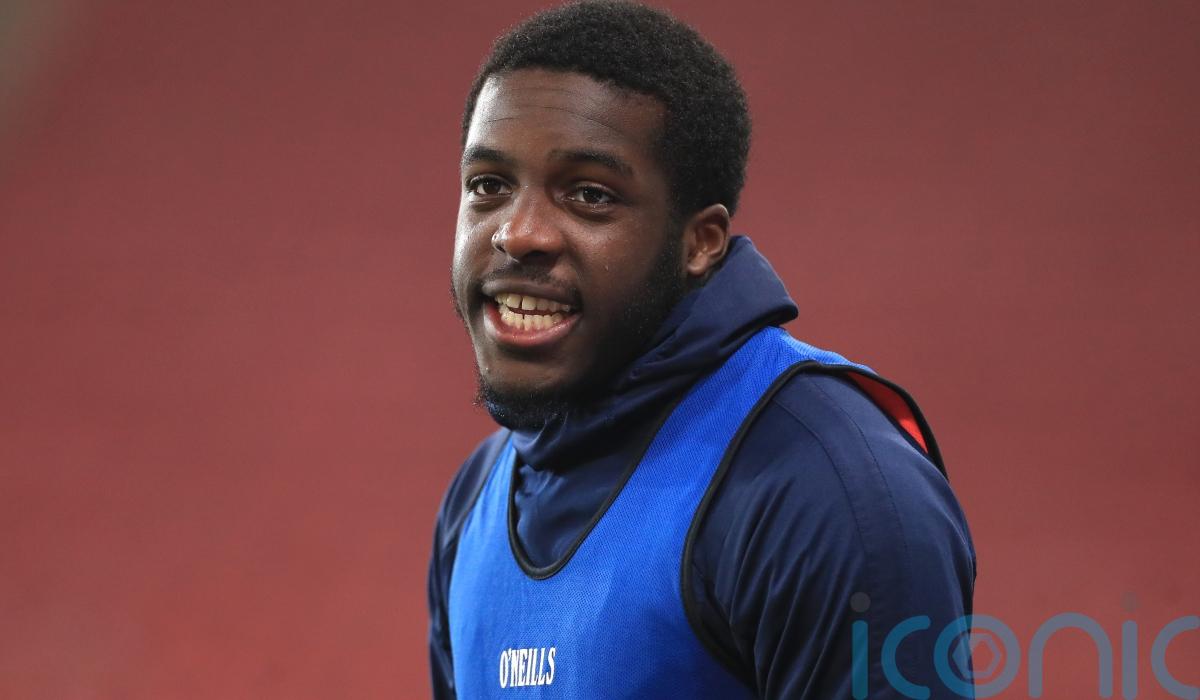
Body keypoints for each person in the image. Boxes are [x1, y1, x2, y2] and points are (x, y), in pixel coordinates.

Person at [428, 1, 976, 697]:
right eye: (489, 186)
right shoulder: (475, 502)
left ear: (700, 243)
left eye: (589, 195)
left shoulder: (829, 493)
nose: (518, 233)